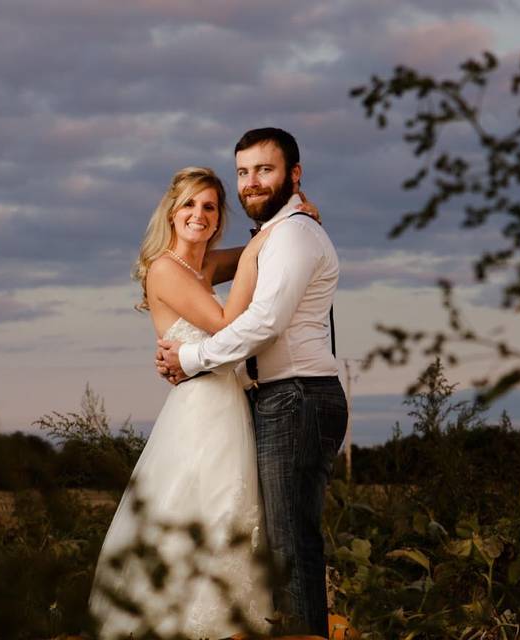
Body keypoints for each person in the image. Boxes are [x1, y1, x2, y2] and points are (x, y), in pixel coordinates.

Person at [88, 166, 320, 638]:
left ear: (218, 219)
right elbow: (223, 322)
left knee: (233, 512)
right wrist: (257, 248)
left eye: (210, 206)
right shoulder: (165, 268)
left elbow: (270, 247)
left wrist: (296, 214)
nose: (199, 214)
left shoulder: (205, 266)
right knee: (202, 509)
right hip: (199, 410)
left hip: (229, 401)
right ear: (172, 213)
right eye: (189, 204)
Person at [156, 128, 348, 637]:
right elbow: (240, 266)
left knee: (289, 541)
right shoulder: (270, 239)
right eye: (244, 172)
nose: (252, 183)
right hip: (268, 399)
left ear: (294, 176)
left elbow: (262, 323)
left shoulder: (293, 234)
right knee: (270, 539)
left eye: (265, 170)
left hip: (297, 394)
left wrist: (191, 357)